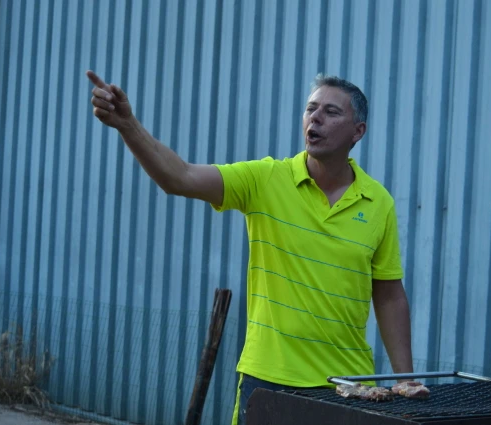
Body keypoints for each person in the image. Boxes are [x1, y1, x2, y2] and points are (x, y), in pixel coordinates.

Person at [87, 70, 413, 425]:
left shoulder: (378, 202)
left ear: (357, 131)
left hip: (349, 385)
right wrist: (128, 125)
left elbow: (389, 295)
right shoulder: (265, 179)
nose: (315, 118)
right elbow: (179, 177)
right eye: (310, 108)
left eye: (331, 112)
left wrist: (405, 380)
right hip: (268, 381)